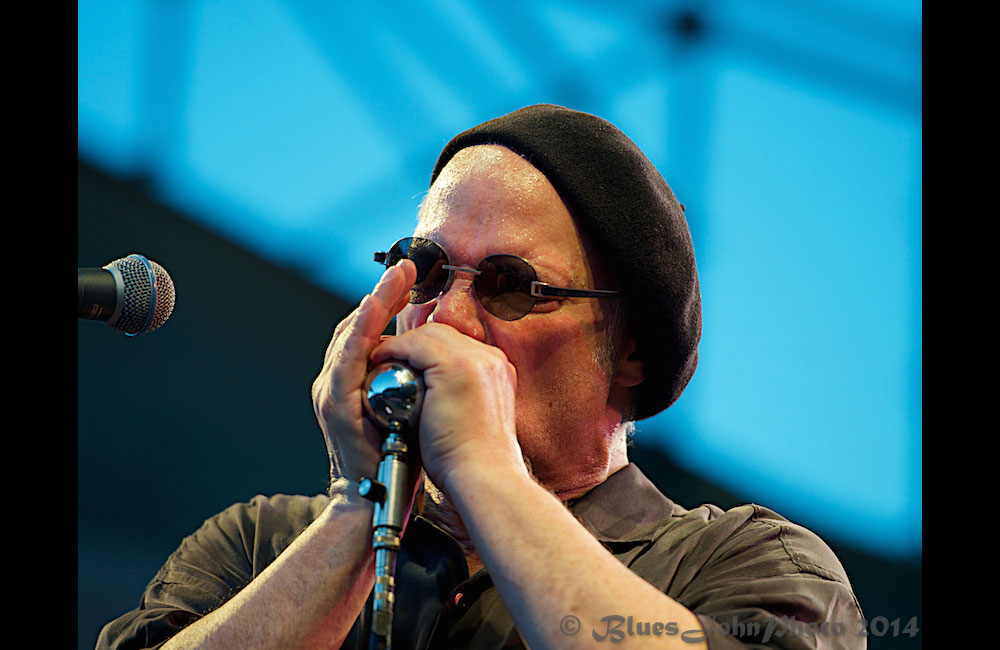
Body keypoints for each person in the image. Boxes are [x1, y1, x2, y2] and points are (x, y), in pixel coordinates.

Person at [96, 104, 865, 650]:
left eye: (509, 284)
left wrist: (484, 471)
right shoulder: (263, 546)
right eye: (426, 271)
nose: (448, 321)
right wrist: (356, 515)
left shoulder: (746, 562)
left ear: (629, 350)